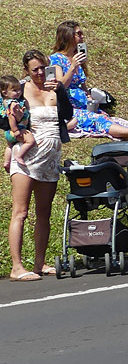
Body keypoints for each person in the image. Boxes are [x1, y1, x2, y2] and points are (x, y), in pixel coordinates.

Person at [7, 50, 73, 281]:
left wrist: (60, 92)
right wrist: (14, 127)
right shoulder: (20, 91)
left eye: (42, 68)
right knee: (21, 211)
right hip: (26, 157)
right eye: (34, 69)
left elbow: (67, 114)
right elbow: (4, 118)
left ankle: (39, 263)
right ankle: (16, 266)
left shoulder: (55, 87)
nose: (39, 73)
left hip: (50, 158)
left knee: (43, 213)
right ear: (26, 70)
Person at [49, 20, 128, 139]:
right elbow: (61, 86)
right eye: (78, 34)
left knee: (105, 117)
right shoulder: (56, 59)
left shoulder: (76, 56)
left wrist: (89, 96)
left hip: (85, 104)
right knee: (98, 120)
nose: (82, 36)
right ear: (68, 36)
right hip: (69, 107)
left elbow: (82, 83)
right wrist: (73, 66)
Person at [1, 76, 36, 170]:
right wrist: (15, 130)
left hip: (8, 132)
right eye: (14, 90)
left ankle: (7, 162)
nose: (18, 92)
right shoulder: (14, 104)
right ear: (5, 92)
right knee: (31, 141)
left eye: (19, 90)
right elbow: (11, 117)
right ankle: (19, 156)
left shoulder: (5, 101)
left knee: (9, 146)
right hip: (18, 130)